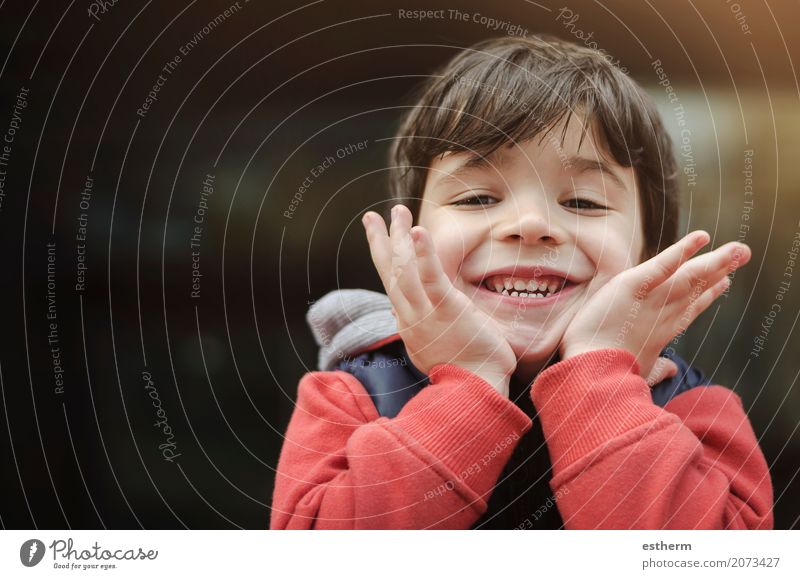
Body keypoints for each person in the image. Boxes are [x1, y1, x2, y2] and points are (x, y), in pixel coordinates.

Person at [270, 35, 773, 529]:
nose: (530, 223)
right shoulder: (349, 395)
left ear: (649, 256)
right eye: (476, 198)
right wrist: (471, 380)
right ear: (408, 238)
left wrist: (597, 376)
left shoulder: (694, 409)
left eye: (583, 202)